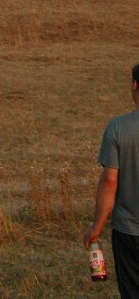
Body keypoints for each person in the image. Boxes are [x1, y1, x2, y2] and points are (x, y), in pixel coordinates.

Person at [84, 64, 139, 298]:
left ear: (134, 85)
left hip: (129, 232)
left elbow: (109, 181)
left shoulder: (118, 128)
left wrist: (97, 226)